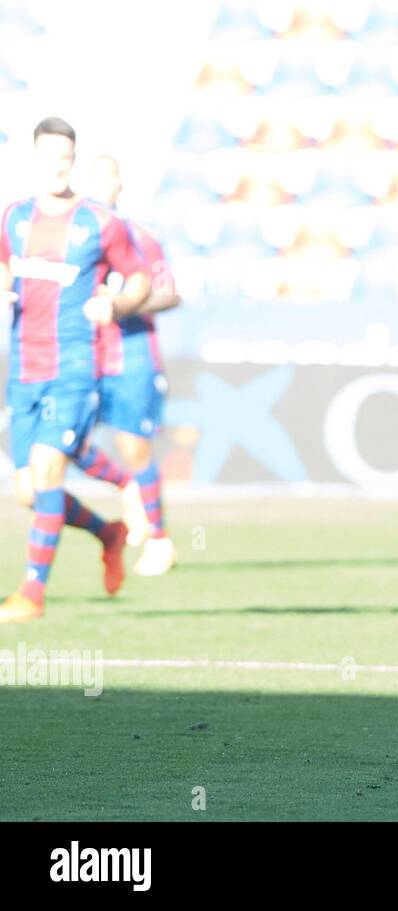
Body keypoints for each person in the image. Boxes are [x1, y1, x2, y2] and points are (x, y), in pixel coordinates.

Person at [0, 118, 151, 622]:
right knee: (31, 492)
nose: (57, 166)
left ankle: (31, 595)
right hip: (23, 368)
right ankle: (109, 532)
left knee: (46, 471)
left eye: (65, 158)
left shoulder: (98, 223)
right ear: (36, 157)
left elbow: (138, 278)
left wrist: (118, 304)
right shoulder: (14, 217)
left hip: (75, 367)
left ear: (73, 159)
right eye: (49, 157)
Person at [75, 154, 182, 576]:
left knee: (134, 446)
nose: (106, 186)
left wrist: (120, 308)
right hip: (79, 353)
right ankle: (129, 488)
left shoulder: (140, 237)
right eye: (96, 178)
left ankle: (159, 541)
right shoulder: (69, 237)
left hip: (131, 354)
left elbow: (170, 292)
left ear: (120, 186)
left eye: (111, 178)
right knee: (68, 442)